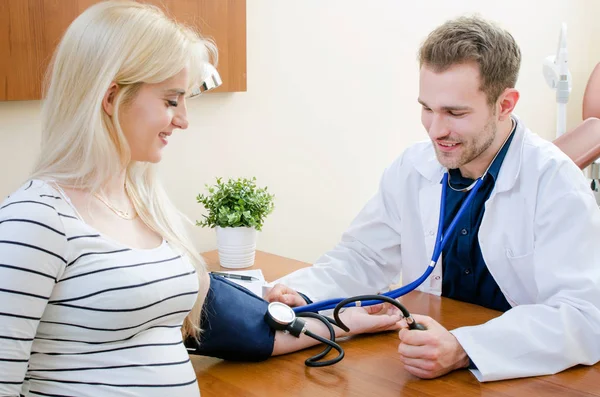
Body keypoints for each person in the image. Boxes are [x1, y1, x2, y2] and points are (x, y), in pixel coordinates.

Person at [0, 2, 402, 396]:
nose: (184, 118)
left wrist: (344, 320)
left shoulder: (144, 207)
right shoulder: (34, 221)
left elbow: (238, 325)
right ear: (111, 99)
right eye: (171, 100)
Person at [266, 15, 600, 382]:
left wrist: (464, 348)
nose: (437, 130)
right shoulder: (414, 166)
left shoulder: (554, 182)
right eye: (427, 108)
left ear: (505, 105)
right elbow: (362, 256)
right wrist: (301, 292)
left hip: (522, 374)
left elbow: (584, 315)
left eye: (455, 113)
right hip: (421, 363)